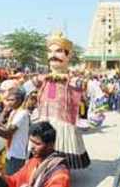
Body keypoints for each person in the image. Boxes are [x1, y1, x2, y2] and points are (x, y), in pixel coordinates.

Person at [31, 31, 90, 169]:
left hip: (63, 121)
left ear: (68, 55)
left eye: (58, 51)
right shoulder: (41, 79)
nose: (53, 55)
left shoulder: (74, 80)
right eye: (50, 52)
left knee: (61, 151)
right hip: (44, 119)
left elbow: (91, 89)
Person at [0, 122, 70, 187]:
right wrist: (2, 177)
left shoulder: (60, 175)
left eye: (37, 143)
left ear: (50, 145)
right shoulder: (33, 162)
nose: (32, 147)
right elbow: (15, 181)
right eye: (31, 141)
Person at [0, 88, 30, 175]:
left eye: (12, 100)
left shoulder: (22, 114)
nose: (8, 103)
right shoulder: (13, 112)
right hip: (9, 153)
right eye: (7, 100)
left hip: (17, 155)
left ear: (20, 100)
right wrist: (4, 112)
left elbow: (7, 133)